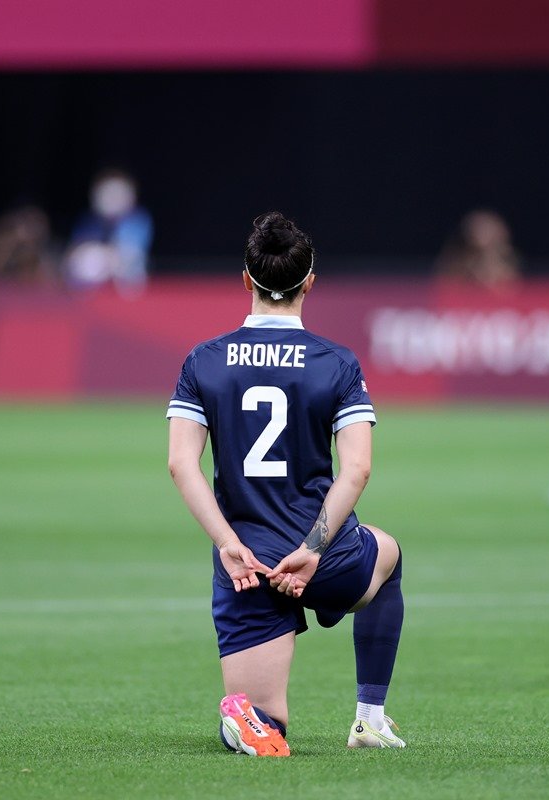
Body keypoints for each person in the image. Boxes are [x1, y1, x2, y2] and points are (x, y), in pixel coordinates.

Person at [166, 212, 406, 757]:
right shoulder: (337, 363)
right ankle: (369, 720)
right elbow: (357, 469)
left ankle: (248, 721)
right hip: (323, 558)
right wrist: (313, 552)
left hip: (245, 565)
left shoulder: (202, 360)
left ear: (246, 280)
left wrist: (228, 545)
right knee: (388, 556)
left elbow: (183, 464)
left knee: (266, 723)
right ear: (310, 282)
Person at [63, 169, 153, 294]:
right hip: (94, 280)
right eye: (106, 194)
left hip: (126, 272)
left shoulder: (137, 219)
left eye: (117, 194)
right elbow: (76, 250)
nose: (112, 200)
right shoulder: (89, 221)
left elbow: (130, 251)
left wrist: (108, 257)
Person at [435, 209, 520, 287]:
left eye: (486, 229)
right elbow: (446, 287)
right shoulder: (455, 261)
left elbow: (511, 289)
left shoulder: (507, 260)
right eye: (478, 228)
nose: (481, 233)